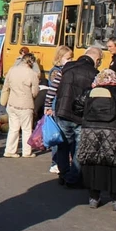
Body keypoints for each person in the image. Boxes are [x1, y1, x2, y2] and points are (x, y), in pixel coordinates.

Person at [77, 69, 116, 211]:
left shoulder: (88, 92)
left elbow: (76, 107)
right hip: (114, 132)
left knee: (93, 162)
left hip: (90, 130)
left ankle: (94, 198)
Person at [55, 47, 103, 188]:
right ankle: (73, 177)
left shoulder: (67, 67)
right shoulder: (94, 73)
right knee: (79, 147)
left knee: (63, 145)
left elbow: (55, 88)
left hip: (62, 110)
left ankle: (63, 174)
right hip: (80, 115)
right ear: (97, 59)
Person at [1, 52, 40, 158]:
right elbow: (35, 92)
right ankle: (27, 152)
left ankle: (9, 150)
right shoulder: (32, 74)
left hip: (12, 103)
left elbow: (6, 86)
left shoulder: (12, 70)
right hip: (26, 104)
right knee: (26, 129)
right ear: (32, 62)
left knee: (13, 128)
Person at [43, 46, 74, 174]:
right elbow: (53, 90)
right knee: (58, 136)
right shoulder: (56, 72)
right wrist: (49, 106)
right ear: (60, 58)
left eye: (71, 57)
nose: (70, 60)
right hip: (56, 105)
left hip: (59, 105)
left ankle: (60, 162)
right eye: (68, 58)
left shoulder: (64, 70)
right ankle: (55, 162)